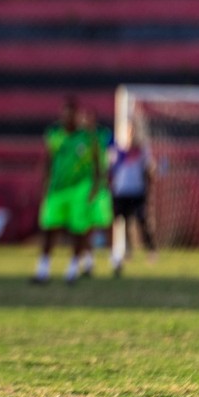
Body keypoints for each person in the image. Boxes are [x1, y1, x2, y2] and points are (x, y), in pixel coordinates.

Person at [31, 97, 100, 285]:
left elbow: (96, 162)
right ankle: (43, 270)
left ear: (77, 116)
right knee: (49, 228)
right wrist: (44, 184)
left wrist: (95, 187)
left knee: (78, 230)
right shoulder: (54, 134)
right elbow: (47, 160)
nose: (68, 117)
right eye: (65, 113)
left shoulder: (87, 137)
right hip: (57, 189)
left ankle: (72, 269)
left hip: (79, 189)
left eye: (72, 114)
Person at [109, 125, 157, 276]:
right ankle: (126, 251)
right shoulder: (117, 151)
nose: (131, 135)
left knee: (141, 221)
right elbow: (110, 169)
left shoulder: (142, 151)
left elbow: (149, 169)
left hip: (137, 192)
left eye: (133, 132)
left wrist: (149, 187)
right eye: (128, 132)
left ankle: (151, 250)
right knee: (122, 221)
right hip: (120, 192)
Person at [77, 107, 113, 278]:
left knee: (106, 223)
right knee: (86, 226)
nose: (87, 121)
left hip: (101, 187)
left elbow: (114, 153)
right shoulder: (78, 139)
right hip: (83, 188)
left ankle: (115, 260)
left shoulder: (104, 135)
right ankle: (88, 262)